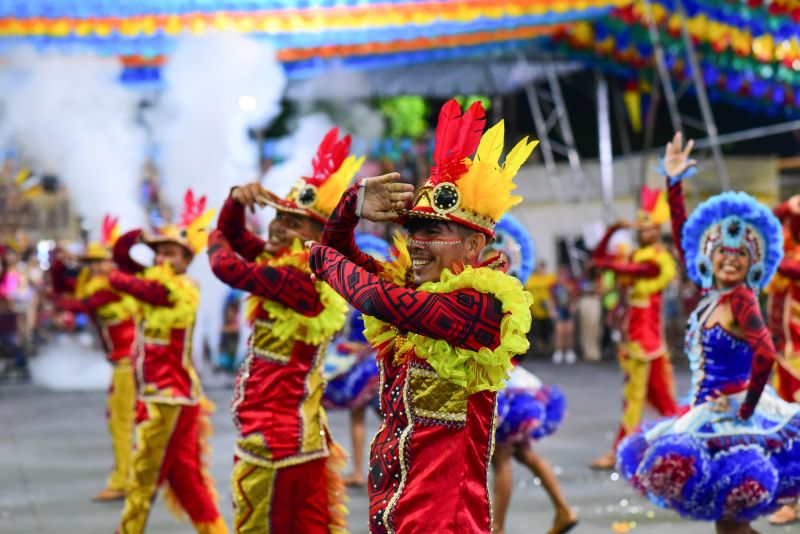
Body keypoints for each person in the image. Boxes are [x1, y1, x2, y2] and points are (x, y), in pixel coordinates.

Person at [308, 99, 536, 533]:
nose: (415, 242)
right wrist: (352, 205)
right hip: (392, 502)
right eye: (412, 230)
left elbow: (375, 299)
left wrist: (320, 260)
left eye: (433, 231)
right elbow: (343, 254)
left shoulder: (482, 308)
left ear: (473, 246)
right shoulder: (412, 291)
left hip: (444, 517)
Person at [617, 132, 800, 534]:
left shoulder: (741, 301)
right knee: (728, 526)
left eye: (739, 255)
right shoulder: (710, 293)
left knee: (731, 526)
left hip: (734, 422)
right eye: (722, 252)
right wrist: (673, 184)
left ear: (751, 262)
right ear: (711, 256)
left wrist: (748, 408)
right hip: (706, 413)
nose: (729, 260)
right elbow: (685, 240)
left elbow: (766, 353)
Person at [207, 127, 358, 533]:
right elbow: (240, 236)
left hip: (275, 439)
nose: (278, 228)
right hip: (294, 438)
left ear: (318, 238)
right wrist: (235, 200)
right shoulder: (284, 265)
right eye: (279, 216)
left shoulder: (301, 280)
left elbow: (226, 264)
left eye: (295, 223)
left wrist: (213, 238)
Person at [110, 190, 227, 534]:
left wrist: (138, 265)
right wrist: (141, 238)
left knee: (143, 475)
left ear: (186, 259)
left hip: (169, 399)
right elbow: (121, 256)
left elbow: (120, 278)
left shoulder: (180, 289)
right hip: (167, 397)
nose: (162, 257)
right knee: (186, 480)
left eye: (171, 252)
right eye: (158, 252)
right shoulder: (155, 280)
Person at [489, 218, 577, 534]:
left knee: (501, 458)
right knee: (523, 453)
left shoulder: (500, 298)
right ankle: (564, 510)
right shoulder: (508, 295)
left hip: (504, 385)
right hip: (514, 382)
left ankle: (497, 528)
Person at [590, 186, 679, 469]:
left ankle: (623, 451)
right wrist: (612, 229)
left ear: (658, 230)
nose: (644, 233)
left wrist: (616, 264)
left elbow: (621, 270)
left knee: (638, 400)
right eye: (641, 228)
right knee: (661, 403)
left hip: (647, 342)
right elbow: (599, 259)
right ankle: (674, 446)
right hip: (635, 339)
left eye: (650, 228)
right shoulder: (633, 257)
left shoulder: (658, 260)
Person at [55, 216, 138, 502]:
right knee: (124, 421)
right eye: (90, 263)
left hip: (129, 364)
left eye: (99, 262)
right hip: (125, 363)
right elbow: (68, 287)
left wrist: (50, 296)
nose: (93, 268)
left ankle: (125, 481)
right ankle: (133, 476)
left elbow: (77, 304)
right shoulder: (101, 284)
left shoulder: (109, 287)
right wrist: (57, 263)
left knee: (122, 422)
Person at [322, 233, 390, 488]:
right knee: (373, 417)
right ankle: (368, 471)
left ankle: (370, 470)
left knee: (380, 418)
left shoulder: (370, 301)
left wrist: (357, 349)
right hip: (364, 362)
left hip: (366, 365)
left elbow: (373, 336)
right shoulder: (362, 299)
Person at [764, 194, 800, 525]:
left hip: (798, 361)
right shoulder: (786, 251)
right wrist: (785, 206)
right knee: (788, 430)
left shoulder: (789, 261)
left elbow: (785, 266)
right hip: (784, 358)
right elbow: (765, 224)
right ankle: (792, 499)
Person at [525, 261, 556, 355]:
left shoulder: (550, 278)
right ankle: (538, 349)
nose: (539, 269)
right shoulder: (530, 278)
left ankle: (545, 348)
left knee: (546, 330)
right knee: (535, 331)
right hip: (533, 310)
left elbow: (556, 291)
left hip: (547, 310)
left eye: (540, 267)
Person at [550, 264, 578, 365]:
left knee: (569, 332)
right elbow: (552, 299)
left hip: (568, 310)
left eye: (564, 275)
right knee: (559, 332)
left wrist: (573, 305)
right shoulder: (554, 286)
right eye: (560, 275)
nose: (562, 277)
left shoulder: (570, 286)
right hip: (559, 310)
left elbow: (573, 298)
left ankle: (569, 351)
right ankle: (559, 351)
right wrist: (553, 310)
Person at [577, 265, 602, 362]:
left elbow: (600, 290)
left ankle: (595, 351)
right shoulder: (582, 279)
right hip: (586, 300)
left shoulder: (598, 279)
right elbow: (581, 290)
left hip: (594, 300)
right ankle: (587, 351)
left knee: (595, 326)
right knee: (586, 326)